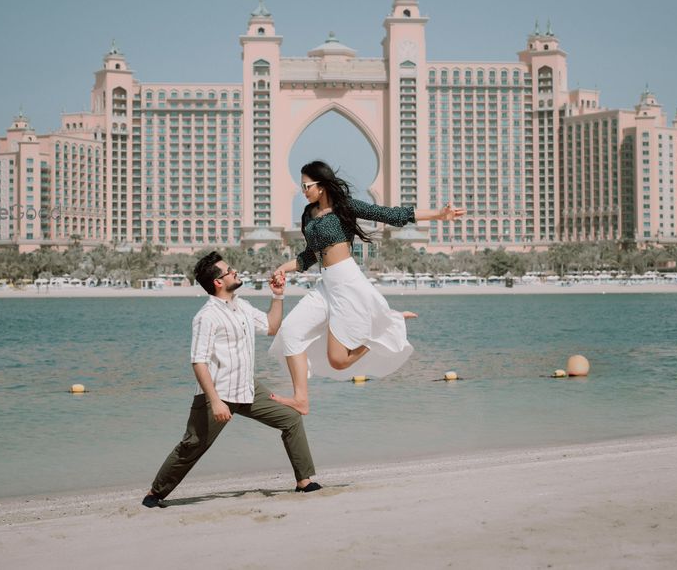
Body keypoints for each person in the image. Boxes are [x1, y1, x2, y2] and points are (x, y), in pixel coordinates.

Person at [267, 160, 466, 415]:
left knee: (338, 361)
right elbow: (310, 256)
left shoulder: (344, 207)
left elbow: (390, 214)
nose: (303, 191)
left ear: (322, 185)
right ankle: (301, 399)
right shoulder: (308, 214)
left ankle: (385, 329)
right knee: (291, 332)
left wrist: (438, 215)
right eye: (301, 186)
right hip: (326, 284)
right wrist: (282, 268)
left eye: (306, 185)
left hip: (348, 284)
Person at [142, 251, 320, 508]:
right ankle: (154, 493)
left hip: (248, 388)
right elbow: (198, 361)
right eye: (229, 270)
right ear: (218, 282)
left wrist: (278, 295)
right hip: (218, 393)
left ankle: (304, 482)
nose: (234, 271)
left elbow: (271, 326)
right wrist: (215, 402)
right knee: (192, 445)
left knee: (291, 419)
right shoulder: (206, 316)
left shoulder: (242, 306)